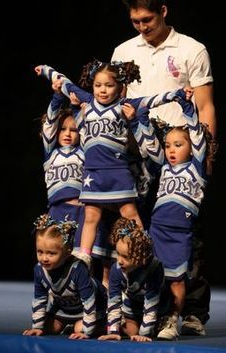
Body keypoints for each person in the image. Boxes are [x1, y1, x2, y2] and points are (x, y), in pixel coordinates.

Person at [111, 0, 217, 335]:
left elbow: (205, 105)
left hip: (179, 150)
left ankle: (192, 312)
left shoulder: (191, 49)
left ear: (164, 11)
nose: (141, 26)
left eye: (147, 19)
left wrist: (208, 156)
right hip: (140, 150)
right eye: (135, 21)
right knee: (141, 229)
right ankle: (146, 308)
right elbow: (118, 102)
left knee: (185, 231)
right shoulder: (124, 50)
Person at [34, 61, 178, 271]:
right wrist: (47, 71)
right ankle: (83, 256)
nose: (103, 90)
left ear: (119, 87)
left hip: (118, 172)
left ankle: (144, 250)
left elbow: (152, 100)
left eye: (109, 85)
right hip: (93, 174)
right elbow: (65, 84)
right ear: (92, 86)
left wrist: (178, 94)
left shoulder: (124, 107)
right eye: (98, 85)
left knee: (130, 214)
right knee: (92, 216)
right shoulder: (88, 102)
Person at [128, 88, 210, 339]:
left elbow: (197, 135)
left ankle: (172, 319)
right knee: (156, 277)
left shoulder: (196, 170)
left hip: (179, 233)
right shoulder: (164, 167)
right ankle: (153, 315)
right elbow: (148, 143)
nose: (171, 150)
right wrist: (136, 119)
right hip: (157, 230)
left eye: (178, 145)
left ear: (191, 148)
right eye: (169, 145)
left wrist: (187, 108)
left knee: (176, 280)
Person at [35, 77, 116, 288]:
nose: (68, 134)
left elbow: (85, 124)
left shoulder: (84, 153)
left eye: (73, 130)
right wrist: (57, 97)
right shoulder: (50, 154)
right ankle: (58, 302)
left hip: (81, 213)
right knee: (56, 258)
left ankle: (91, 307)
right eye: (63, 130)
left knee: (82, 262)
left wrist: (75, 106)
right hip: (57, 213)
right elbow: (50, 123)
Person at [23, 214, 107, 338]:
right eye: (40, 252)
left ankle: (102, 325)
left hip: (93, 306)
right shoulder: (39, 270)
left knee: (79, 329)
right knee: (48, 328)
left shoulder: (78, 269)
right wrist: (37, 327)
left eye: (51, 253)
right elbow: (39, 299)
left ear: (67, 253)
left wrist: (86, 332)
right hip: (64, 309)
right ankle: (69, 324)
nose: (44, 258)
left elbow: (89, 301)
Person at [98, 216, 164, 342]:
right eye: (118, 254)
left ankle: (162, 322)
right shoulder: (116, 269)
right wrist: (113, 331)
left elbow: (151, 303)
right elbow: (114, 301)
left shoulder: (154, 268)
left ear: (142, 257)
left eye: (126, 257)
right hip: (133, 306)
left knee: (148, 332)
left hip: (158, 307)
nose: (119, 261)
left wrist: (144, 334)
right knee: (132, 332)